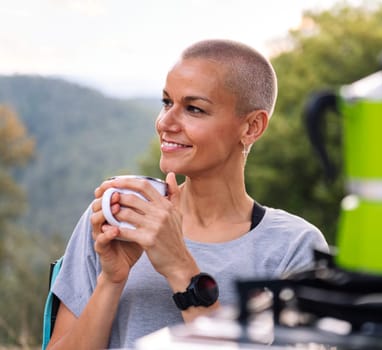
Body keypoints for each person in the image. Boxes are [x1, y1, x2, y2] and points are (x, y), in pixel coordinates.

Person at [47, 39, 328, 349]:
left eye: (194, 109)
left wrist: (181, 270)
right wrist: (110, 281)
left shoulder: (293, 247)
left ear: (251, 127)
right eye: (167, 102)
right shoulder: (118, 217)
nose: (165, 122)